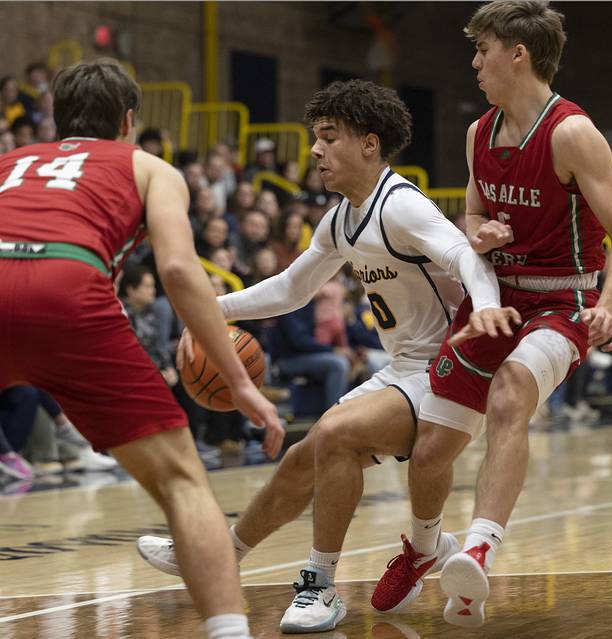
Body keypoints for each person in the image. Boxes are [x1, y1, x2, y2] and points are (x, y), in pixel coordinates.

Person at [135, 78, 519, 634]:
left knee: (336, 435)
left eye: (328, 137)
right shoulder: (341, 218)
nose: (315, 150)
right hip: (405, 368)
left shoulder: (401, 205)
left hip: (451, 366)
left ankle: (320, 585)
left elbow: (465, 255)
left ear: (368, 144)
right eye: (315, 138)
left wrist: (484, 307)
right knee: (302, 458)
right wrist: (212, 309)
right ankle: (217, 555)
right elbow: (292, 289)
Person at [372, 2, 612, 627]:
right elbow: (471, 214)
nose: (474, 63)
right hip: (494, 300)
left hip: (561, 299)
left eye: (482, 49)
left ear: (517, 54)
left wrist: (608, 306)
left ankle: (477, 549)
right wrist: (482, 232)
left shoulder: (572, 133)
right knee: (432, 448)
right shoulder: (479, 134)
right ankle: (423, 548)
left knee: (512, 392)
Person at [0, 60, 284, 639]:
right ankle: (228, 632)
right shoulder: (150, 167)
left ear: (57, 120)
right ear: (128, 120)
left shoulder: (8, 162)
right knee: (183, 482)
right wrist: (240, 381)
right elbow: (179, 269)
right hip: (70, 289)